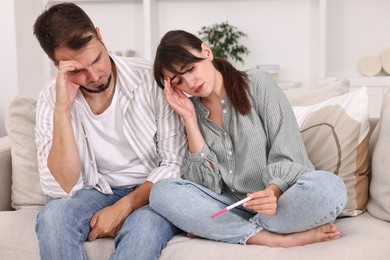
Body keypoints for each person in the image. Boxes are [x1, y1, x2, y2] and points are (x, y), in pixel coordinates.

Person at [149, 30, 348, 247]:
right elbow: (205, 187)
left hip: (280, 202)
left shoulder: (258, 83)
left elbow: (289, 151)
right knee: (161, 192)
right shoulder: (191, 112)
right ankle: (273, 239)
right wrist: (189, 119)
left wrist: (272, 193)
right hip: (228, 206)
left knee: (330, 187)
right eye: (179, 82)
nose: (190, 82)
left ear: (206, 51)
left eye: (190, 69)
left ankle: (227, 230)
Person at [33, 3, 187, 259]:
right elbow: (60, 188)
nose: (94, 75)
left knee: (143, 232)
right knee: (52, 217)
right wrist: (63, 110)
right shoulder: (51, 99)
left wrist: (123, 206)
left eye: (97, 59)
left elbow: (174, 163)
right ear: (54, 63)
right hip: (95, 191)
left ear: (100, 36)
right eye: (78, 70)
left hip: (151, 192)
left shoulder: (150, 79)